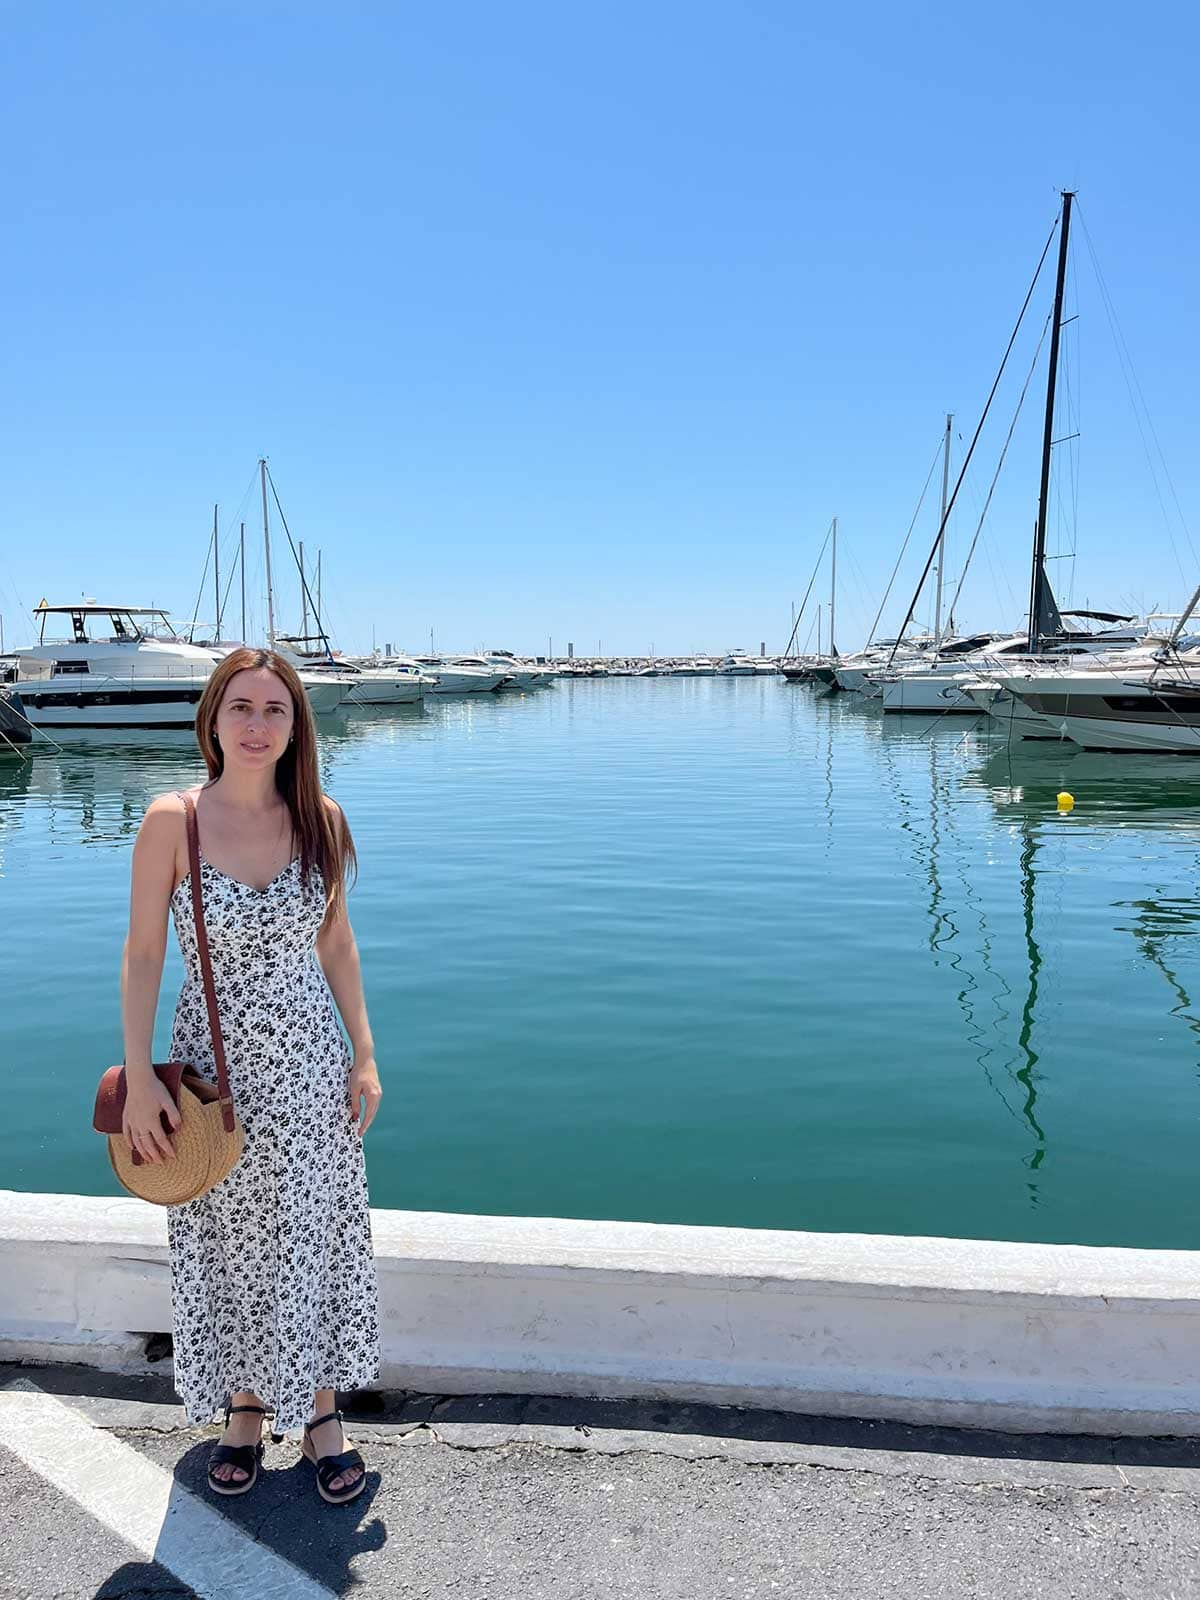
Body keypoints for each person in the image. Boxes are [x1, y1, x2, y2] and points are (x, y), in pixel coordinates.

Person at [120, 646, 383, 1504]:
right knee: (230, 1243)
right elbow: (145, 953)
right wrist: (141, 1078)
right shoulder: (174, 819)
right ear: (214, 718)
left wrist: (366, 1055)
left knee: (312, 1236)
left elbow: (336, 944)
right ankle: (241, 1411)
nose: (259, 724)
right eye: (243, 707)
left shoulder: (324, 819)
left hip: (310, 1068)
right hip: (213, 1076)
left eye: (277, 709)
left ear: (296, 724)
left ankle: (320, 1414)